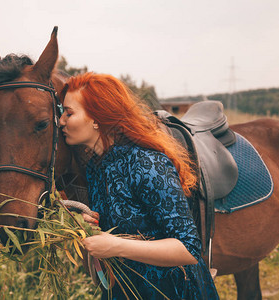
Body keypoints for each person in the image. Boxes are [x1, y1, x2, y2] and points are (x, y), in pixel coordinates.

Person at [59, 72, 219, 299]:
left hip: (171, 291)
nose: (61, 120)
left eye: (69, 113)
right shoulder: (97, 166)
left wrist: (115, 246)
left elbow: (188, 249)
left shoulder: (146, 163)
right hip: (126, 290)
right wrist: (96, 222)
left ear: (97, 118)